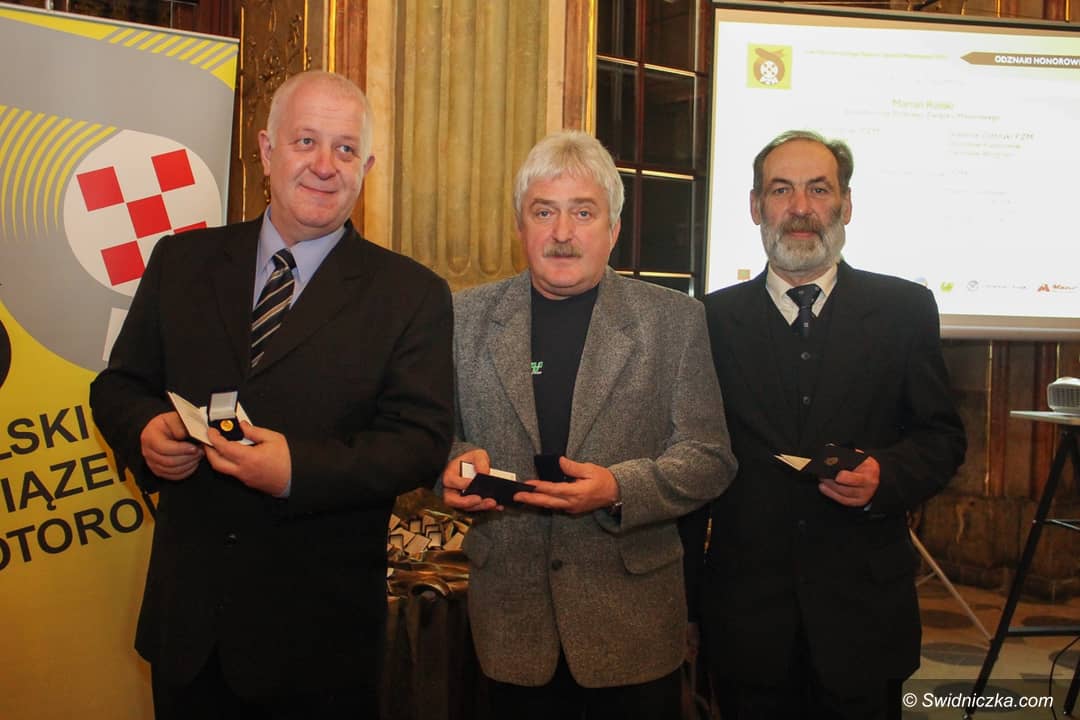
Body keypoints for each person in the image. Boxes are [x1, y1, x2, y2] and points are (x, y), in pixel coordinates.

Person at [89, 70, 454, 719]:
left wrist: (296, 471)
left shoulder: (411, 295)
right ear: (265, 150)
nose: (324, 165)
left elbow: (418, 444)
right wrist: (145, 429)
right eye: (305, 141)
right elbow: (119, 386)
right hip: (189, 633)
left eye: (346, 149)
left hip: (317, 648)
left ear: (366, 167)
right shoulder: (182, 262)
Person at [437, 130, 737, 719]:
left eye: (583, 212)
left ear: (613, 229)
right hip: (509, 625)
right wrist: (450, 463)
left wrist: (620, 488)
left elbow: (709, 455)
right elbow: (432, 434)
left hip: (632, 626)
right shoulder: (462, 318)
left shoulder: (674, 321)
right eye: (543, 212)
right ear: (519, 226)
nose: (562, 232)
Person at [697, 129, 967, 718]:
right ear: (755, 207)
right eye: (781, 190)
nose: (800, 208)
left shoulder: (904, 311)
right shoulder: (708, 319)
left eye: (818, 189)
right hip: (746, 622)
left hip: (864, 618)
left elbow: (941, 437)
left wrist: (885, 476)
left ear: (846, 204)